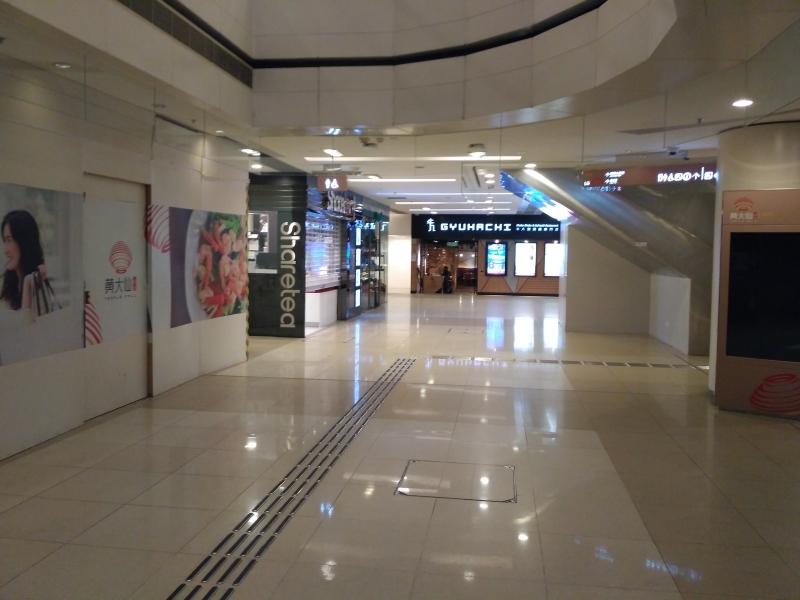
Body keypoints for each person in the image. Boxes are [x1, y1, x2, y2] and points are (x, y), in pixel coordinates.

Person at [1, 210, 46, 311]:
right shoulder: (4, 285)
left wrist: (27, 284)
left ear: (24, 243)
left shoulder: (39, 288)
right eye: (5, 241)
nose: (5, 250)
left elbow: (27, 322)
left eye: (9, 240)